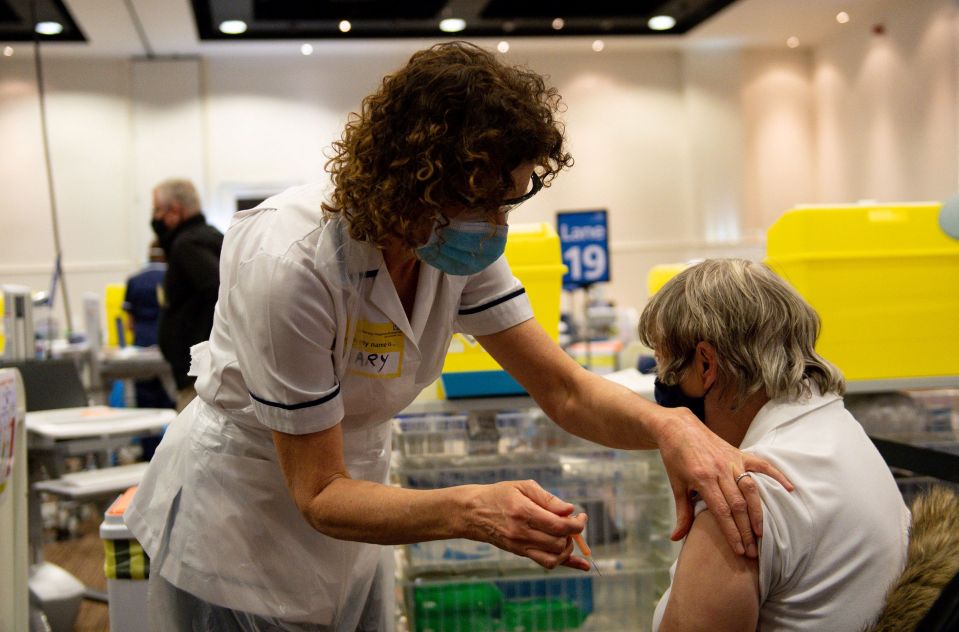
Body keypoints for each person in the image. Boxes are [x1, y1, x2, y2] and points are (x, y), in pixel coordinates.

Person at [126, 43, 789, 631]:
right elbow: (318, 493)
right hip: (242, 522)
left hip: (354, 515)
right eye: (484, 201)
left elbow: (563, 389)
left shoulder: (447, 242)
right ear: (411, 179)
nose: (496, 225)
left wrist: (670, 426)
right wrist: (472, 510)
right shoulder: (293, 260)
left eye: (510, 201)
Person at [642, 259, 910, 632]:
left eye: (662, 362)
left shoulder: (744, 501)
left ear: (706, 366)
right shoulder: (840, 432)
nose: (661, 381)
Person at [150, 178, 223, 412]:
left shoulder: (187, 245)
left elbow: (217, 289)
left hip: (199, 379)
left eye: (157, 210)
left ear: (174, 211)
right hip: (204, 373)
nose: (155, 219)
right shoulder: (210, 237)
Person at [122, 241, 175, 410]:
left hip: (142, 343)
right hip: (168, 343)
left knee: (145, 400)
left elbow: (129, 323)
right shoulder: (173, 278)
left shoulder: (134, 280)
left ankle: (148, 436)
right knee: (170, 397)